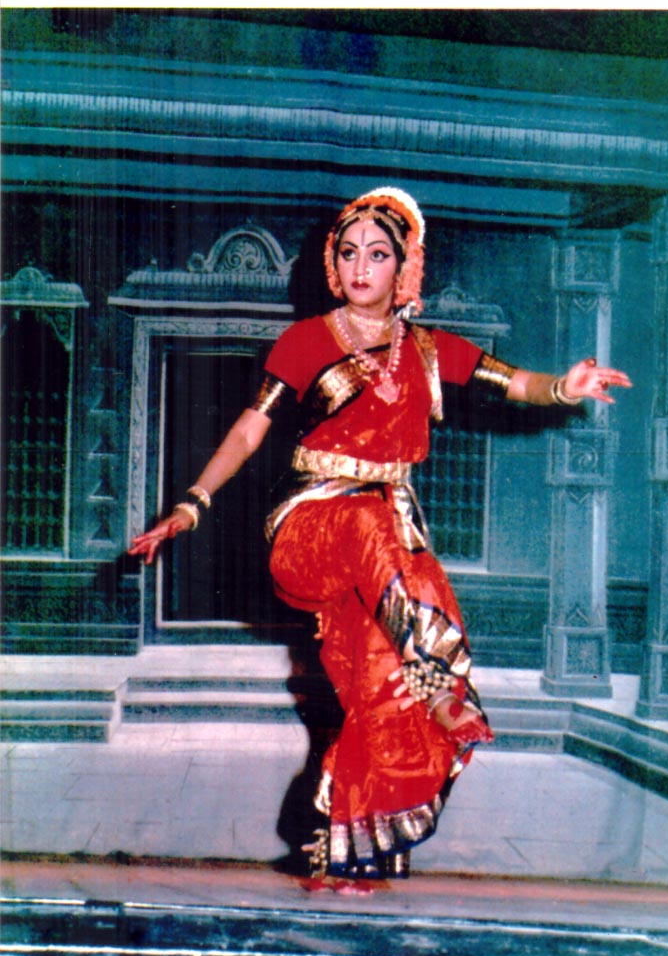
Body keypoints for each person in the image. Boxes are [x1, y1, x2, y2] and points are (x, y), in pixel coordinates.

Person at [129, 186, 631, 893]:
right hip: (311, 524)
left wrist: (564, 387)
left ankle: (352, 851)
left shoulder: (428, 349)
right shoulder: (307, 341)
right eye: (347, 253)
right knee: (372, 526)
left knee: (382, 690)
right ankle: (441, 673)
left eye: (377, 254)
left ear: (405, 268)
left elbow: (514, 382)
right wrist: (190, 505)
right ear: (332, 266)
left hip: (387, 548)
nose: (360, 266)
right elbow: (248, 429)